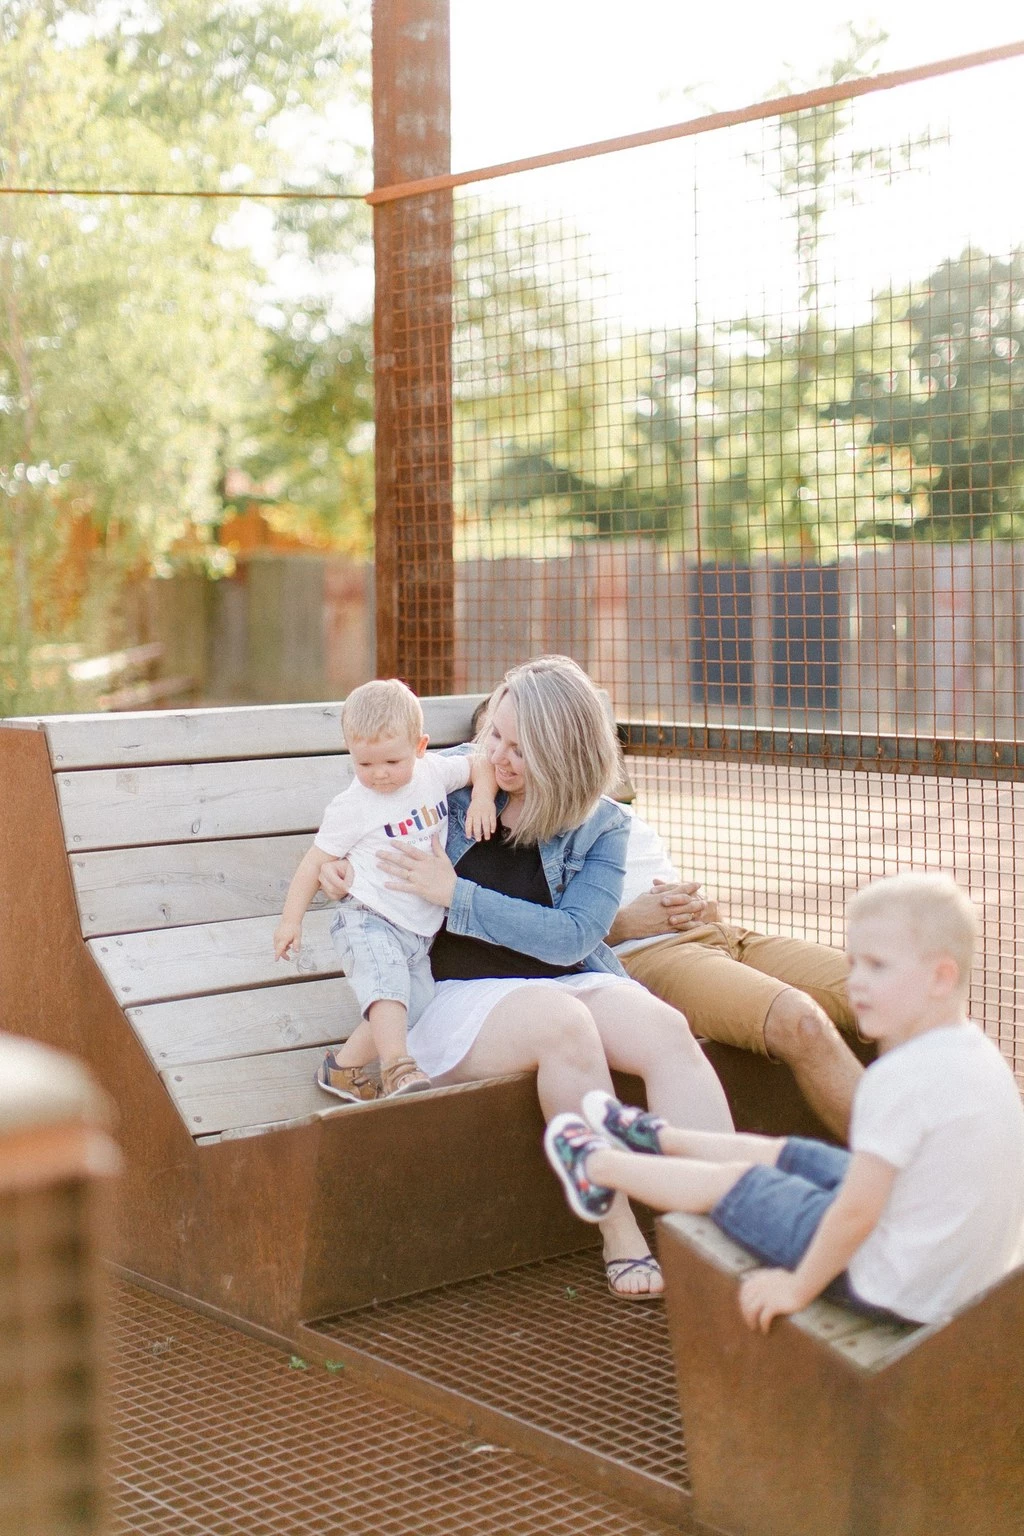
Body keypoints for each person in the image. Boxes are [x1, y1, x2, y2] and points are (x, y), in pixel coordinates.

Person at [323, 655, 734, 1299]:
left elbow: (574, 936)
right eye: (496, 738)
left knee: (664, 1029)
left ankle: (720, 1222)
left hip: (564, 973)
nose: (498, 757)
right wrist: (335, 871)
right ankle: (620, 1227)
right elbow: (356, 823)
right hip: (448, 996)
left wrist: (457, 894)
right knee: (563, 1025)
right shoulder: (446, 781)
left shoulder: (602, 825)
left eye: (522, 748)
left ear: (564, 754)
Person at [545, 873, 1024, 1329]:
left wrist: (797, 1288)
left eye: (876, 967)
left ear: (941, 977)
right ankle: (659, 1137)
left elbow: (856, 1214)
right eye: (853, 962)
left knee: (738, 1181)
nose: (856, 982)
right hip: (951, 1269)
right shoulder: (977, 1055)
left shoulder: (899, 1080)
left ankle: (597, 1165)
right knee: (794, 1155)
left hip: (895, 1287)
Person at [273, 678, 497, 1101]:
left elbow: (479, 762)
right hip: (369, 919)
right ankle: (397, 1067)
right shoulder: (353, 805)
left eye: (392, 762)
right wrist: (290, 921)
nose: (378, 775)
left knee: (418, 1006)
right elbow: (313, 864)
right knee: (388, 990)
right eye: (364, 764)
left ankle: (341, 1069)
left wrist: (483, 798)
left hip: (418, 931)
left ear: (420, 745)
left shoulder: (432, 773)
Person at [608, 813, 864, 1140]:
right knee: (800, 1020)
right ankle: (896, 1174)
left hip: (724, 934)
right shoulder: (529, 821)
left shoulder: (613, 807)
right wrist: (625, 924)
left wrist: (701, 907)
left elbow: (652, 883)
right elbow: (528, 940)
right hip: (647, 955)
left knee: (896, 994)